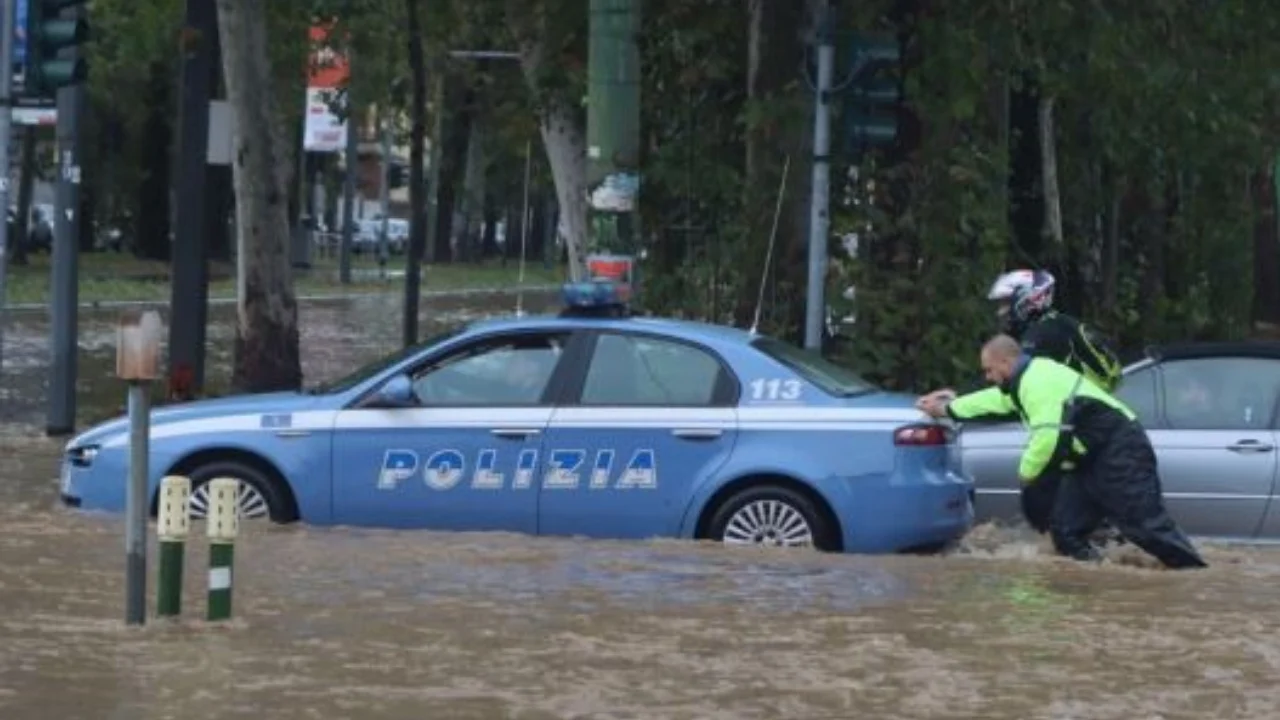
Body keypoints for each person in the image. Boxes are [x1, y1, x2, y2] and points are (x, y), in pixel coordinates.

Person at [920, 335, 1206, 569]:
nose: (988, 377)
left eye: (989, 370)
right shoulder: (1024, 380)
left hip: (1120, 450)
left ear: (1006, 363)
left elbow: (1046, 437)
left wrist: (1026, 476)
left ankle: (1195, 575)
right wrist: (948, 408)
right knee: (1066, 531)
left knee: (1144, 526)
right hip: (1087, 460)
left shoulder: (1037, 382)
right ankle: (1095, 578)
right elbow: (994, 401)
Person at [920, 269, 1124, 533]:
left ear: (1028, 300)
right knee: (1075, 517)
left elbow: (1009, 396)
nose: (1000, 312)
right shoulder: (1056, 326)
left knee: (1047, 509)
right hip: (1084, 428)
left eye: (1005, 304)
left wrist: (952, 405)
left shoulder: (1041, 337)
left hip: (1080, 430)